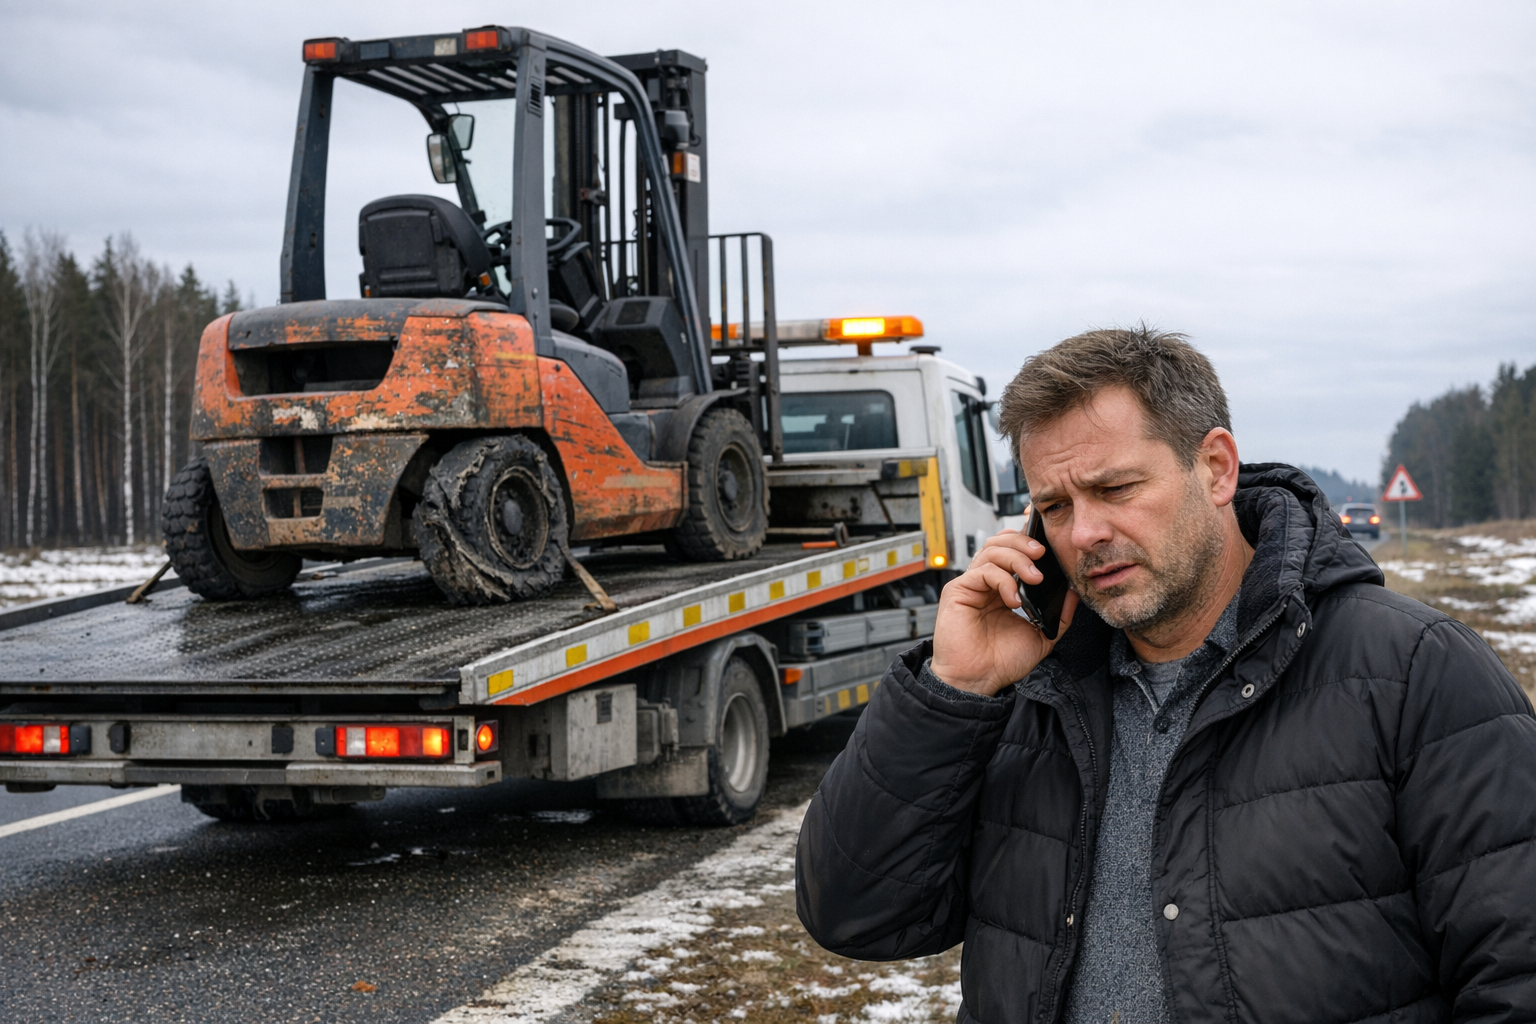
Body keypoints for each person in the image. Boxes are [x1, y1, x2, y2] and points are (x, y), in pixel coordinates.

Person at [795, 327, 1536, 1023]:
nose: (1084, 533)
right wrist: (950, 692)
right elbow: (857, 913)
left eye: (1115, 489)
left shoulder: (1411, 672)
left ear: (1215, 467)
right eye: (1054, 506)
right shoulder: (1025, 695)